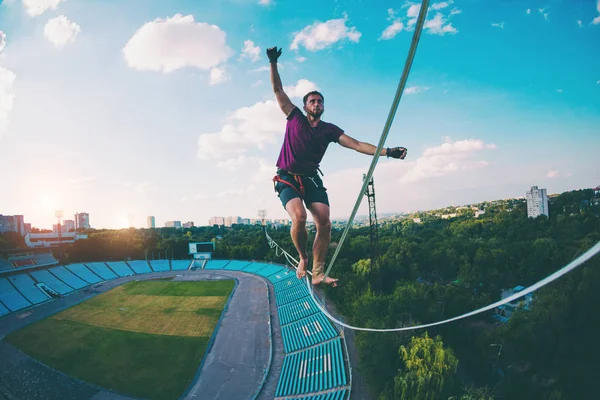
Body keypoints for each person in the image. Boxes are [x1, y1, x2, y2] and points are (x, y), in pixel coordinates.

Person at [267, 46, 408, 287]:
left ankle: (318, 272)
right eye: (312, 101)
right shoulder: (294, 117)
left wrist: (387, 152)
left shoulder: (328, 130)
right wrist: (273, 63)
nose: (316, 103)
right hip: (287, 177)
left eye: (320, 101)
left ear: (323, 106)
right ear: (304, 106)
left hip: (311, 178)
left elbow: (356, 144)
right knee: (299, 218)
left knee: (324, 221)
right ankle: (303, 257)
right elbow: (278, 90)